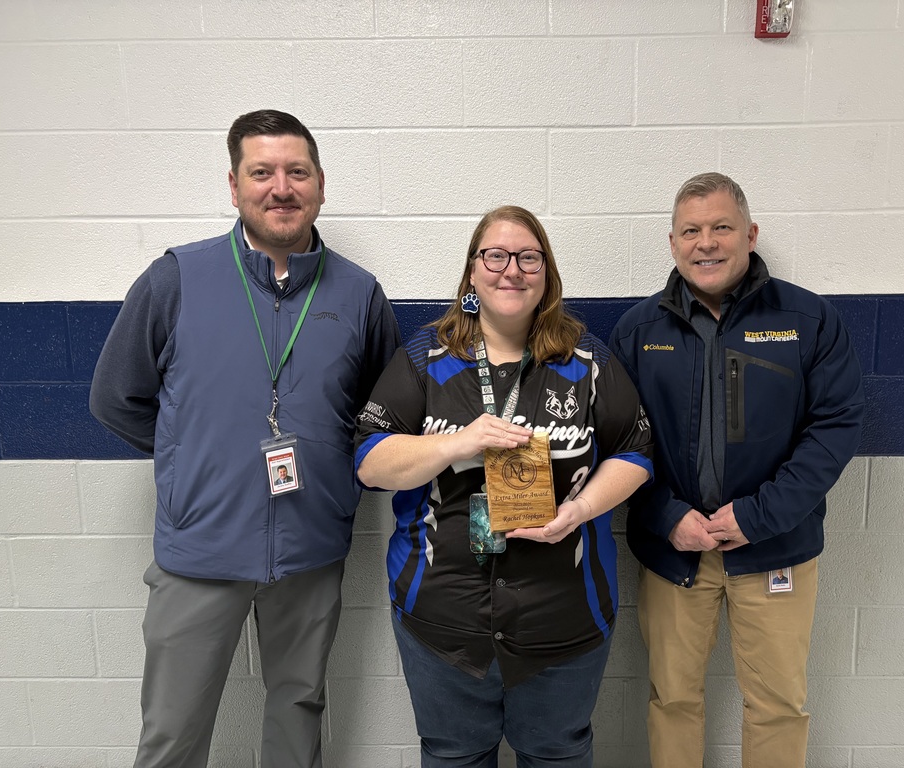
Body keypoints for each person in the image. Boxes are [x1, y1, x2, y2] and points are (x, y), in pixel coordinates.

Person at [89, 109, 400, 768]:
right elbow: (116, 398)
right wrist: (193, 465)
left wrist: (338, 482)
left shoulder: (360, 294)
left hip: (311, 548)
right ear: (234, 186)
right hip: (200, 547)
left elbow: (381, 418)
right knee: (173, 731)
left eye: (296, 171)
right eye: (262, 172)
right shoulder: (176, 279)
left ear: (319, 184)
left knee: (299, 713)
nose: (279, 187)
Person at [354, 205, 653, 767]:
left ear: (546, 272)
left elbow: (636, 451)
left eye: (528, 257)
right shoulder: (427, 356)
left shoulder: (587, 358)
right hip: (442, 616)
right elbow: (370, 461)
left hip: (564, 617)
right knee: (454, 755)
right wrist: (457, 443)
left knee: (556, 755)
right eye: (494, 255)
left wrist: (581, 508)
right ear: (472, 271)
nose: (510, 269)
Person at [609, 172, 864, 768]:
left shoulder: (808, 321)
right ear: (671, 243)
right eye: (691, 231)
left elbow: (835, 426)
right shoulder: (638, 332)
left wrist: (757, 516)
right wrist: (668, 518)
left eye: (722, 227)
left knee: (777, 704)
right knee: (672, 699)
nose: (707, 243)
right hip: (675, 552)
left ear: (749, 234)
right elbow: (619, 444)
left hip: (775, 548)